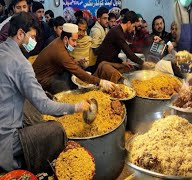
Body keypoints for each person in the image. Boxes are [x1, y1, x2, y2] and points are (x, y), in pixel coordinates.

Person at [0, 12, 90, 173]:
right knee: (55, 130)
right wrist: (75, 107)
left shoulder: (2, 50)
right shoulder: (21, 64)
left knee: (29, 105)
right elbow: (43, 106)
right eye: (32, 37)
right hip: (5, 140)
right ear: (20, 33)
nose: (33, 42)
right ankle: (42, 169)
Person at [32, 23, 115, 94]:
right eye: (74, 40)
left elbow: (68, 60)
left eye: (76, 40)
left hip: (51, 73)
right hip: (41, 80)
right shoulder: (59, 51)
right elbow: (76, 70)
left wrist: (76, 62)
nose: (75, 44)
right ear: (65, 39)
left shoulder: (60, 41)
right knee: (64, 88)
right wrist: (100, 82)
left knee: (70, 77)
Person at [95, 11, 154, 82]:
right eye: (133, 26)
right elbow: (129, 53)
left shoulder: (119, 31)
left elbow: (112, 52)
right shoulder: (117, 32)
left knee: (129, 68)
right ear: (129, 23)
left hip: (110, 61)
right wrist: (143, 63)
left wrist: (121, 62)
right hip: (103, 65)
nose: (133, 29)